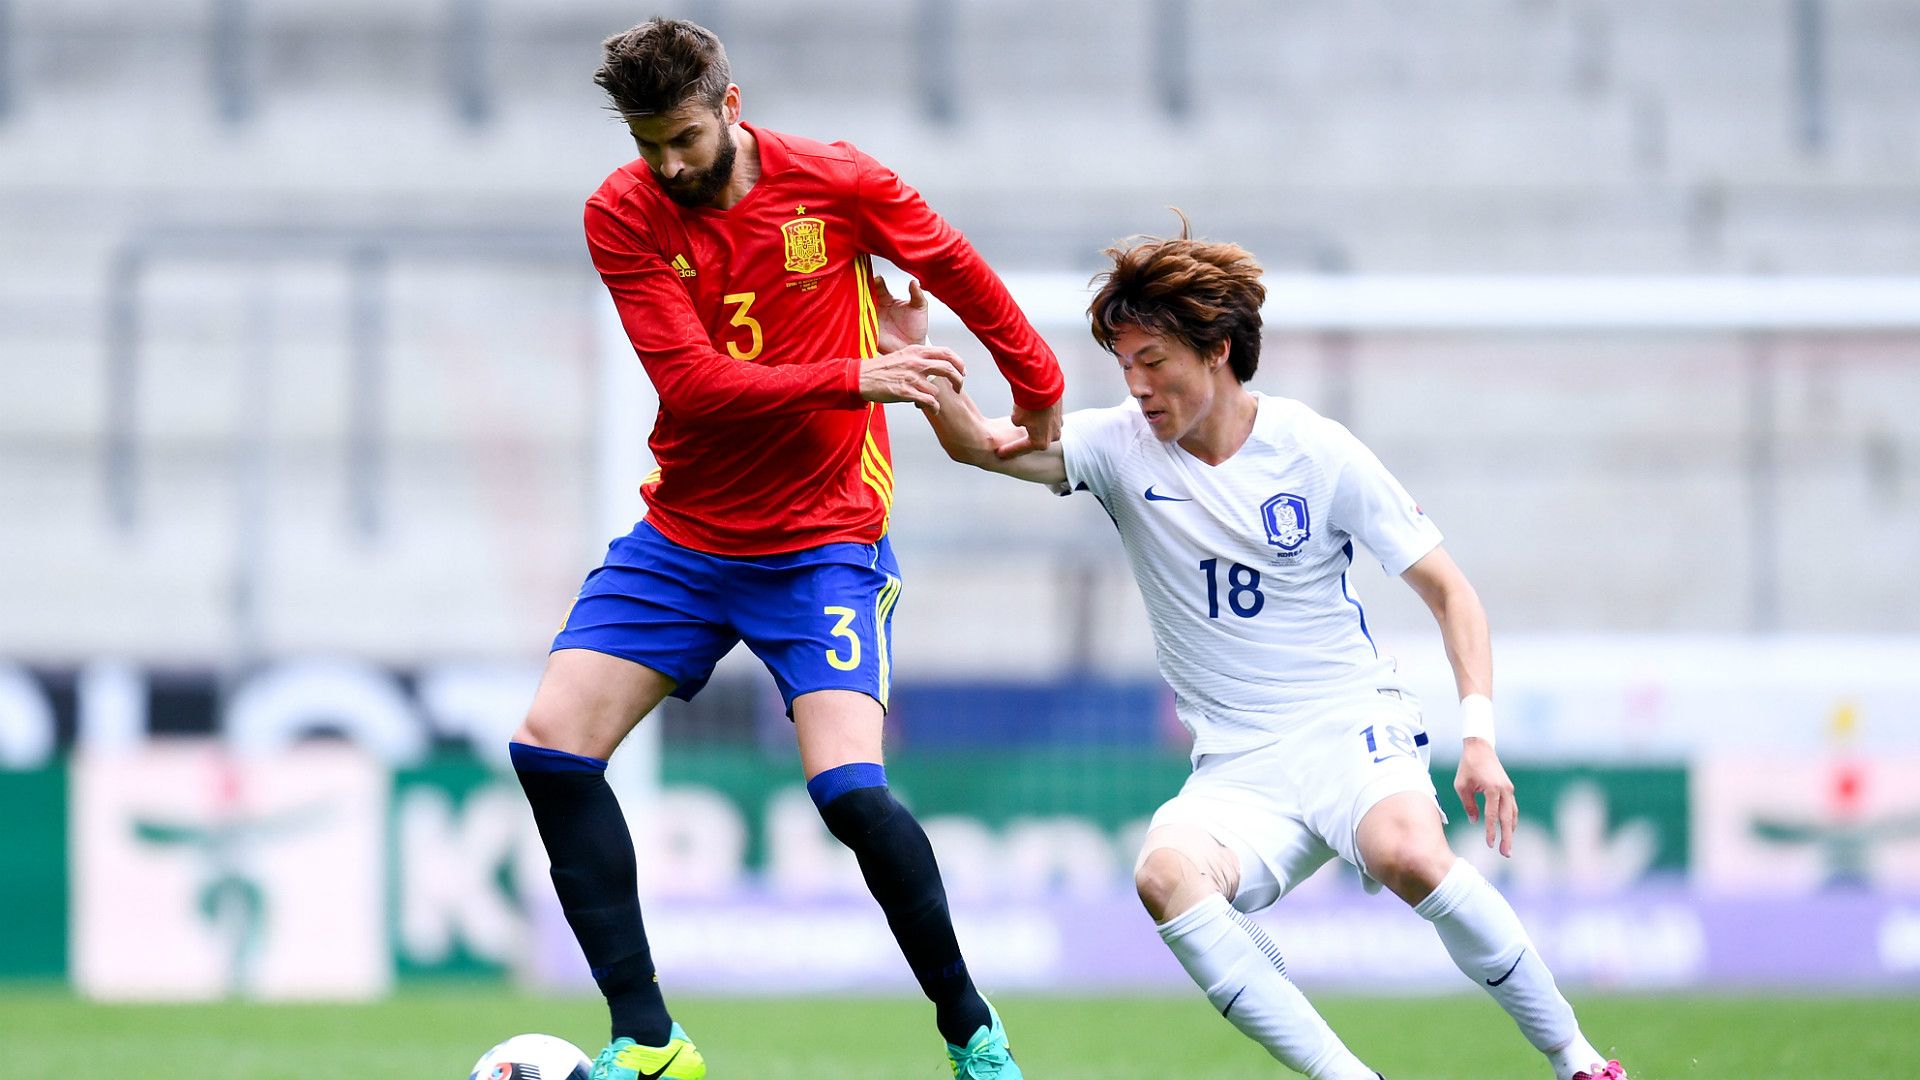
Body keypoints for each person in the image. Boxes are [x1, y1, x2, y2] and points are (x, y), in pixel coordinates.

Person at [905, 220, 1629, 1080]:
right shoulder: (1114, 447)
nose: (1135, 386)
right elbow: (976, 445)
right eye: (1124, 364)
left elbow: (1452, 593)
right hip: (1237, 765)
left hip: (1347, 723)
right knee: (1165, 877)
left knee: (1409, 854)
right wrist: (914, 362)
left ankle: (1579, 1060)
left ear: (1215, 350)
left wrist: (1478, 737)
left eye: (1152, 361)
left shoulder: (1315, 451)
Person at [509, 18, 1063, 1080]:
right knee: (549, 748)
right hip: (688, 533)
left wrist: (1037, 392)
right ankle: (649, 1041)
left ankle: (969, 1029)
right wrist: (854, 375)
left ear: (729, 101)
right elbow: (692, 386)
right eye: (645, 143)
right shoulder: (622, 213)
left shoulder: (838, 182)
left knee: (850, 794)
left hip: (824, 541)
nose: (667, 164)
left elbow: (956, 270)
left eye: (681, 137)